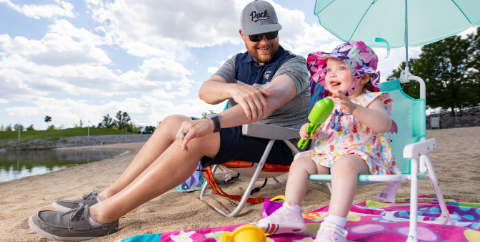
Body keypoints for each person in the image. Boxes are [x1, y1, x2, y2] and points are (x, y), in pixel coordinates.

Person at [28, 0, 310, 241]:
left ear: (278, 31)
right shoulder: (237, 62)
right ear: (242, 35)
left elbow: (268, 101)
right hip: (243, 137)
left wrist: (211, 123)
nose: (264, 42)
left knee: (196, 136)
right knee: (172, 121)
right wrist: (232, 88)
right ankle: (106, 195)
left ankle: (101, 217)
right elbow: (206, 91)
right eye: (256, 36)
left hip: (279, 144)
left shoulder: (294, 64)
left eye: (270, 33)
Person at [256, 41, 402, 242]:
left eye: (341, 68)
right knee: (300, 162)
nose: (332, 74)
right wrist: (311, 131)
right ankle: (291, 211)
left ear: (364, 77)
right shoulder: (328, 104)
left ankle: (334, 225)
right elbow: (325, 132)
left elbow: (383, 124)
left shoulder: (370, 100)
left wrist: (354, 108)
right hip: (329, 157)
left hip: (360, 158)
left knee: (344, 163)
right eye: (329, 69)